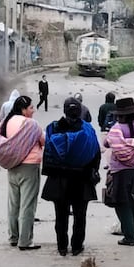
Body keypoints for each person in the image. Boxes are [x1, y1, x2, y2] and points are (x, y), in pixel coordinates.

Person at [41, 97, 101, 256]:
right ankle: (76, 246)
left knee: (60, 215)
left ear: (64, 110)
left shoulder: (53, 128)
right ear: (79, 111)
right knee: (80, 215)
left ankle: (62, 246)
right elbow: (95, 153)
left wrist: (50, 172)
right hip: (82, 179)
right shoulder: (87, 130)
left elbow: (47, 153)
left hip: (59, 179)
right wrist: (94, 171)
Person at [0, 95, 45, 251]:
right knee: (27, 204)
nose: (33, 110)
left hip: (12, 165)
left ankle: (13, 237)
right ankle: (25, 240)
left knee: (14, 204)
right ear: (24, 109)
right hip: (29, 167)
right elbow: (43, 140)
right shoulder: (31, 125)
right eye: (31, 108)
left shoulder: (7, 121)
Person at [103, 97, 134, 247]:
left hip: (121, 171)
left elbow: (106, 143)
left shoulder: (117, 129)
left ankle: (129, 237)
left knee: (122, 204)